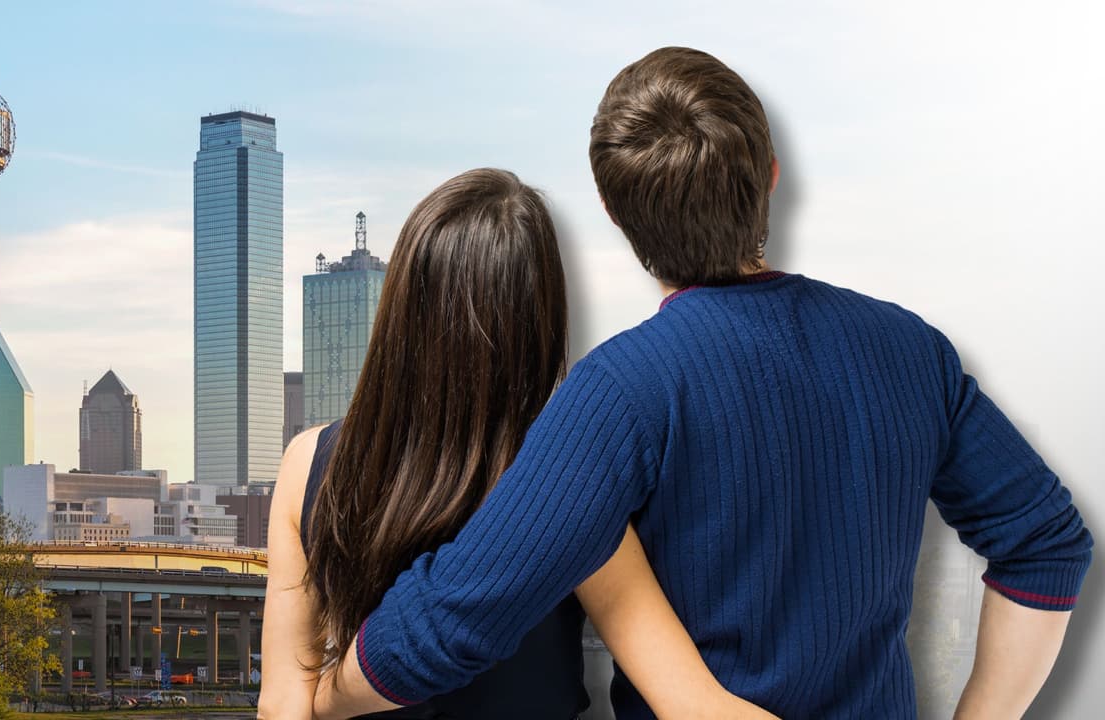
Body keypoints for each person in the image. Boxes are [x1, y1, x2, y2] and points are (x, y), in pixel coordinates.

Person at [312, 48, 1094, 719]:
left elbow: (456, 619)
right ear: (773, 177)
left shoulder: (619, 392)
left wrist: (327, 692)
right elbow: (1047, 546)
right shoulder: (910, 351)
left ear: (619, 220)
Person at [260, 168, 777, 719]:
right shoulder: (570, 479)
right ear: (541, 318)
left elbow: (283, 706)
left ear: (400, 308)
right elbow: (692, 703)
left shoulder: (308, 464)